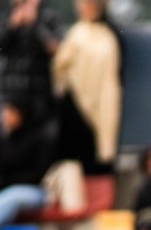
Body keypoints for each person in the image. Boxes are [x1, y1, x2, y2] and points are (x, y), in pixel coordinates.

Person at [52, 0, 121, 175]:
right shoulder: (75, 33)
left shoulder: (110, 36)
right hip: (75, 105)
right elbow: (61, 66)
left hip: (101, 105)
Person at [0, 98, 54, 230]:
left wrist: (7, 182)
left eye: (9, 112)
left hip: (34, 190)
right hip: (5, 190)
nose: (5, 116)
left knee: (12, 198)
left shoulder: (37, 139)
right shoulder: (4, 140)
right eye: (4, 112)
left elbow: (38, 174)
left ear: (20, 114)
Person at [0, 0, 60, 130]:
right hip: (12, 100)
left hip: (41, 98)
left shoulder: (48, 18)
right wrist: (12, 26)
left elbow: (55, 48)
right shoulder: (6, 18)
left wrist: (35, 25)